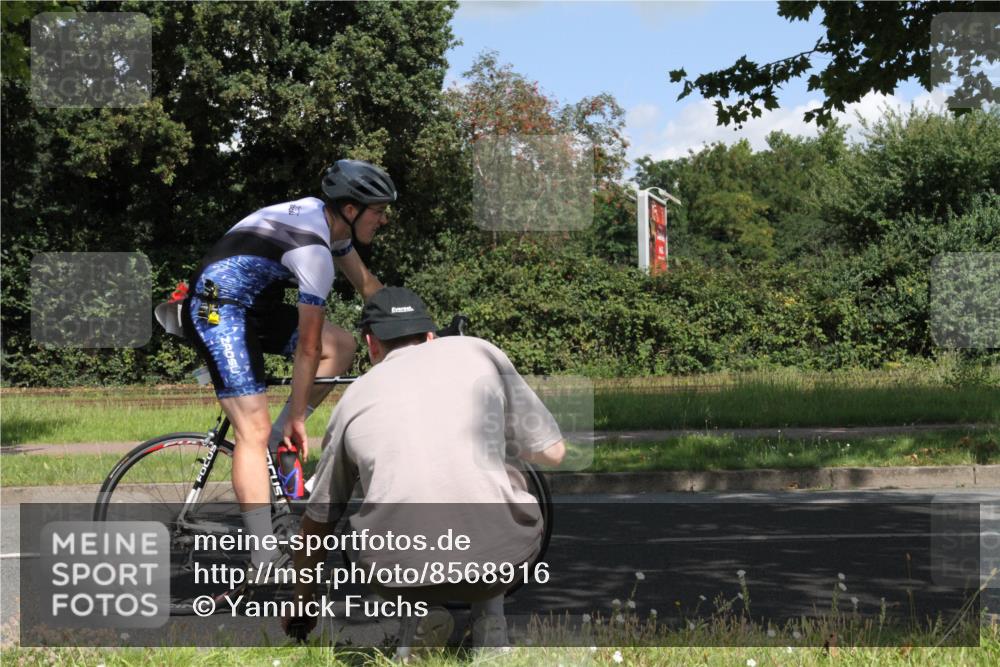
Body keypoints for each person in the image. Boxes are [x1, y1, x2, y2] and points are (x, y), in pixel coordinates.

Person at [281, 287, 566, 656]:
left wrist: (302, 602)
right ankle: (490, 624)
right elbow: (553, 452)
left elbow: (318, 521)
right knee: (498, 469)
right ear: (431, 336)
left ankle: (418, 618)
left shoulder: (353, 399)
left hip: (398, 572)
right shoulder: (480, 351)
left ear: (371, 345)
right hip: (500, 563)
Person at [181, 159, 395, 568]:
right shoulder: (314, 250)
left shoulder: (331, 228)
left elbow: (369, 288)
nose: (383, 220)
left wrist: (416, 328)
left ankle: (277, 444)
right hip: (215, 309)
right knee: (254, 430)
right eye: (379, 211)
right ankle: (264, 552)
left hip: (252, 307)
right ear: (351, 210)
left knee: (344, 345)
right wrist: (298, 415)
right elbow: (308, 349)